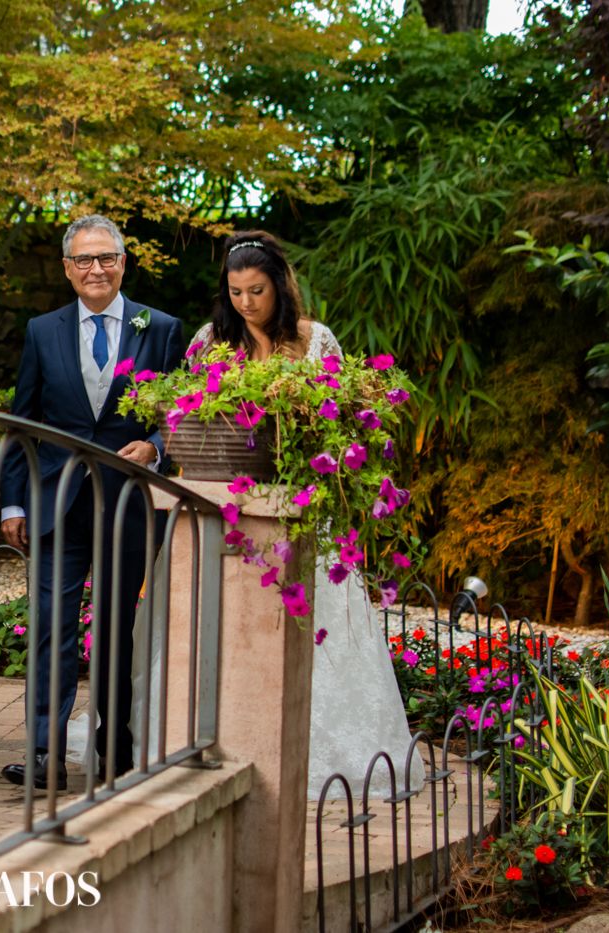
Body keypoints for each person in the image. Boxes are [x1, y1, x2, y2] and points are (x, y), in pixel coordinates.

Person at [182, 229, 426, 799]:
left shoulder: (316, 342)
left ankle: (320, 759)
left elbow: (341, 424)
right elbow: (190, 416)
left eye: (257, 291)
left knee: (315, 635)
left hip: (303, 512)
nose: (246, 303)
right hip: (236, 511)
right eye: (236, 292)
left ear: (280, 286)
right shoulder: (210, 341)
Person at [0, 214, 186, 791]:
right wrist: (12, 504)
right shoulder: (41, 330)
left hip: (128, 503)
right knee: (53, 628)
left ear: (123, 263)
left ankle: (117, 752)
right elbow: (21, 424)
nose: (95, 269)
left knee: (116, 629)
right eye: (84, 260)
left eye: (106, 258)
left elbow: (182, 413)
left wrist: (155, 448)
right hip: (58, 502)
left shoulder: (160, 328)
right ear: (67, 268)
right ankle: (42, 752)